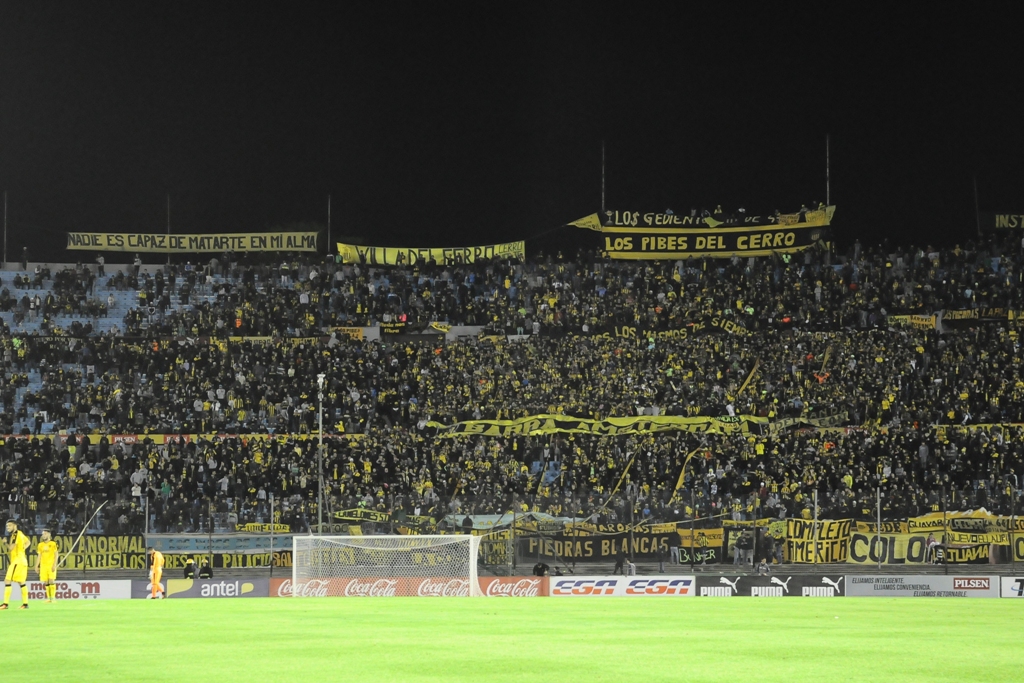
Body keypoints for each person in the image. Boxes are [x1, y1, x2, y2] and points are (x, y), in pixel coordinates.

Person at [2, 519, 30, 609]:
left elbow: (11, 548)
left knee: (7, 580)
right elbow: (28, 542)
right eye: (7, 526)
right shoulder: (21, 533)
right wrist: (22, 549)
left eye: (9, 526)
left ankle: (5, 604)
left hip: (17, 561)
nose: (8, 528)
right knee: (21, 582)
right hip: (22, 560)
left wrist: (5, 542)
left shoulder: (15, 535)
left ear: (15, 525)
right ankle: (25, 604)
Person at [35, 529, 59, 603]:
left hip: (50, 564)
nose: (43, 535)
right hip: (43, 566)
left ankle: (53, 598)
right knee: (46, 582)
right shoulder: (40, 545)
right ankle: (49, 598)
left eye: (45, 534)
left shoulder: (53, 543)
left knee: (51, 580)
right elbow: (39, 555)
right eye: (42, 534)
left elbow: (56, 555)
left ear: (49, 534)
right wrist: (36, 566)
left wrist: (54, 564)